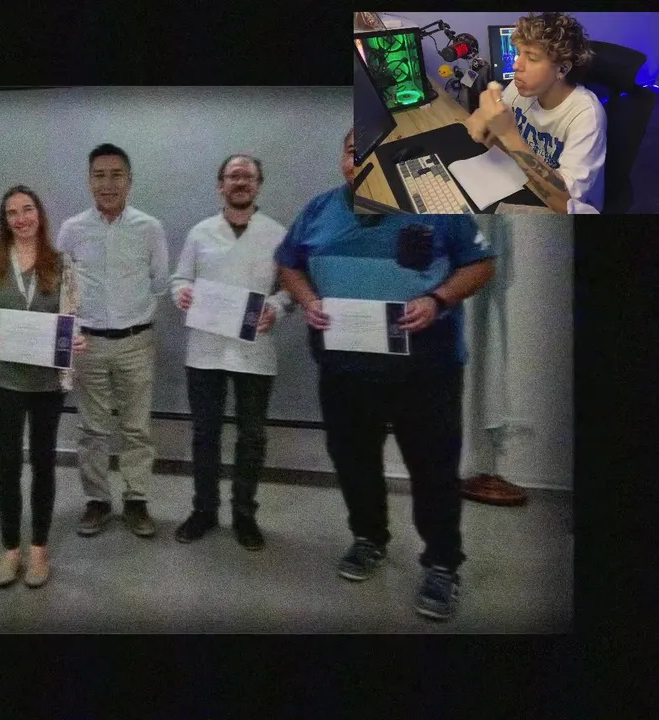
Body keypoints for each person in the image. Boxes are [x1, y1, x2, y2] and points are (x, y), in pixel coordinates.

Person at [273, 131, 496, 621]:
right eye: (354, 151)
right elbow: (288, 263)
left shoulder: (440, 202)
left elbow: (481, 265)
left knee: (433, 469)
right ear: (343, 158)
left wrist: (437, 299)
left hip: (426, 370)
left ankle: (442, 564)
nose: (364, 160)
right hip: (345, 368)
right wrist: (308, 299)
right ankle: (368, 538)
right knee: (354, 462)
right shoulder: (318, 210)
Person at [169, 154, 293, 551]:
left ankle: (244, 514)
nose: (240, 182)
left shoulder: (278, 234)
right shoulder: (200, 232)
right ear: (220, 184)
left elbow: (290, 289)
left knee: (252, 436)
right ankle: (204, 510)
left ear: (259, 184)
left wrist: (276, 308)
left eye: (248, 177)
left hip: (254, 350)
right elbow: (180, 279)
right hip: (205, 350)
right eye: (233, 176)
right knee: (205, 433)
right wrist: (181, 294)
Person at [56, 143, 170, 538]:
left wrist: (134, 316)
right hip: (88, 344)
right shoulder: (71, 230)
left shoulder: (149, 228)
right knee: (93, 429)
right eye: (99, 175)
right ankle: (97, 500)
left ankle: (137, 500)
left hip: (136, 342)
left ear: (129, 180)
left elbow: (160, 283)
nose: (108, 184)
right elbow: (62, 287)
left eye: (116, 175)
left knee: (137, 429)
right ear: (89, 181)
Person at [0, 185, 87, 588]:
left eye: (27, 210)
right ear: (5, 220)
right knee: (6, 465)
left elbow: (72, 315)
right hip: (6, 380)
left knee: (43, 463)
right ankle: (11, 549)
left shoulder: (61, 262)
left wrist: (75, 338)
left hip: (46, 382)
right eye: (12, 213)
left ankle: (39, 547)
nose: (21, 218)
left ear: (39, 214)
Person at [465, 11, 605, 214]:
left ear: (562, 69)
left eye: (531, 57)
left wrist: (509, 135)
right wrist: (483, 117)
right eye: (519, 53)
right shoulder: (522, 87)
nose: (516, 65)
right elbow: (492, 124)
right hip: (524, 181)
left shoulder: (586, 115)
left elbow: (566, 205)